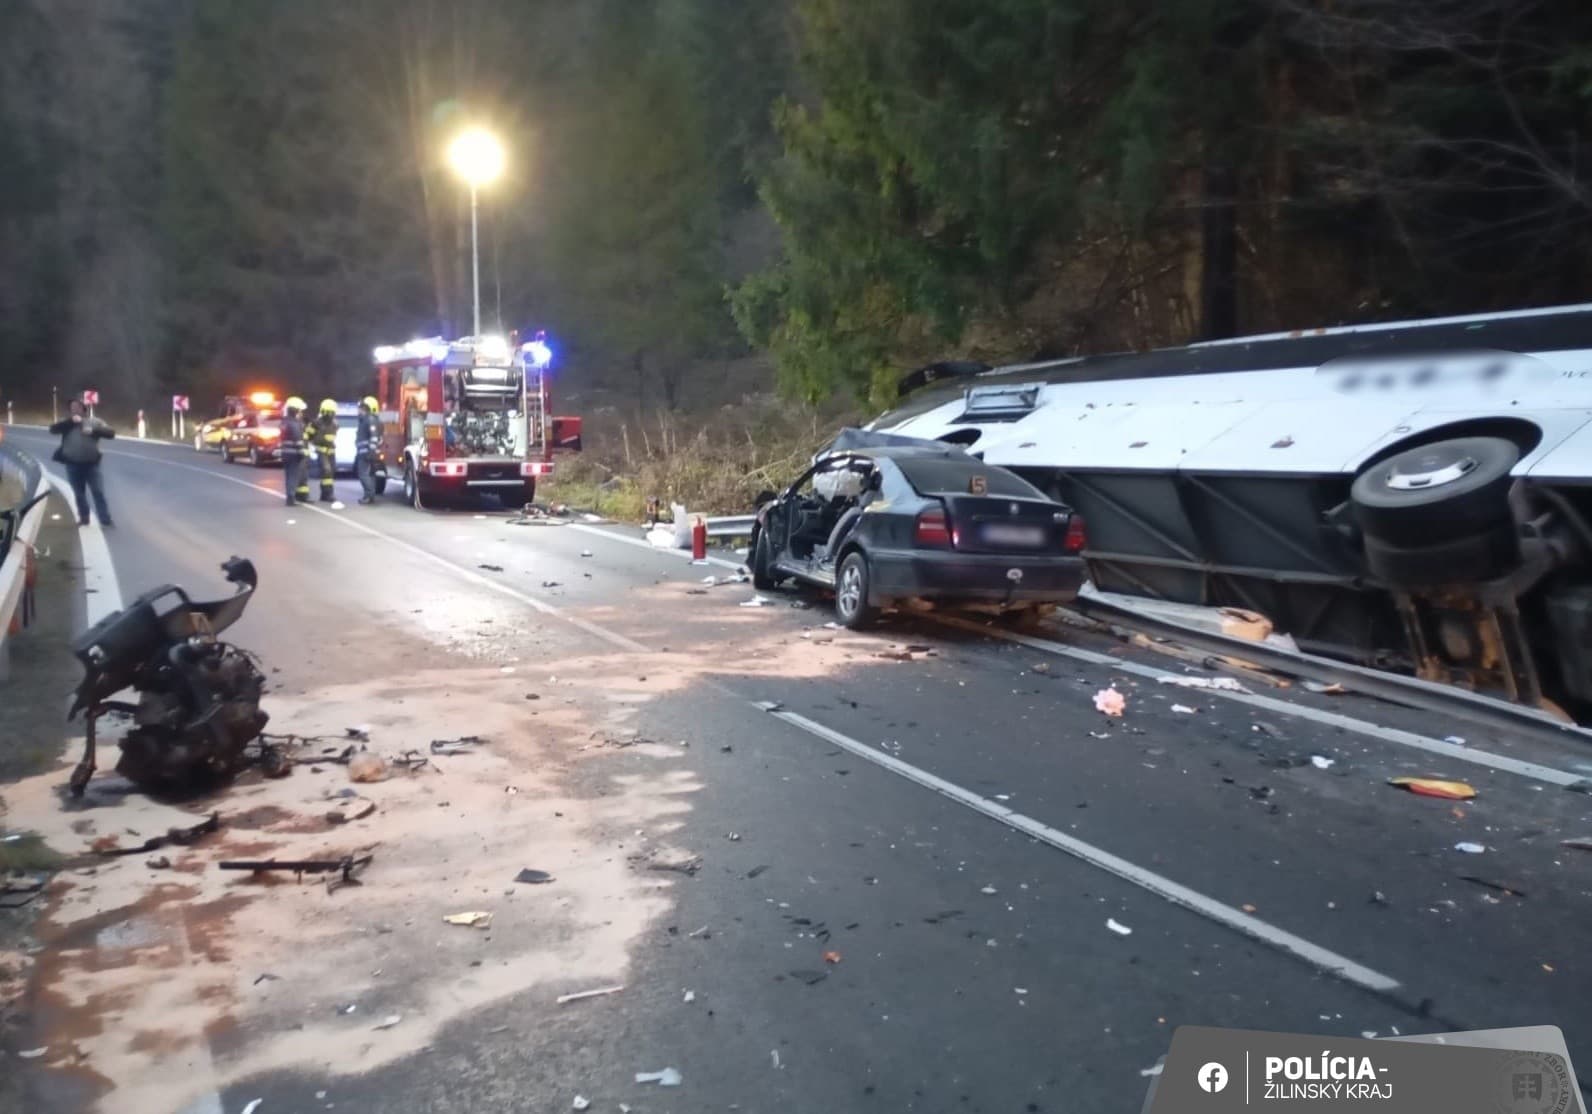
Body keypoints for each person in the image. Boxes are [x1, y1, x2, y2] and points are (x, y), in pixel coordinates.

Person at [49, 400, 115, 527]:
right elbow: (53, 429)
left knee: (98, 491)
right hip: (72, 464)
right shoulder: (67, 423)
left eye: (77, 407)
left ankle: (105, 518)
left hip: (92, 464)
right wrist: (71, 422)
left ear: (84, 409)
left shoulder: (95, 421)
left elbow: (111, 433)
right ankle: (84, 518)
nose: (74, 409)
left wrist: (93, 431)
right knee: (79, 493)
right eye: (72, 407)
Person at [280, 397, 310, 506]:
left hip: (285, 452)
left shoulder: (284, 422)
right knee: (293, 475)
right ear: (295, 410)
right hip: (294, 453)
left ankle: (289, 495)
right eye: (299, 410)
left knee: (288, 475)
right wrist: (302, 452)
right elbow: (298, 439)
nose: (300, 412)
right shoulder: (295, 423)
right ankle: (291, 498)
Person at [310, 398, 339, 503]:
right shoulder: (316, 423)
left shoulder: (335, 424)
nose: (331, 414)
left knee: (331, 472)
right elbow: (309, 435)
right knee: (326, 471)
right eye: (329, 412)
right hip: (321, 451)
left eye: (333, 412)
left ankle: (324, 494)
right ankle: (329, 494)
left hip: (331, 451)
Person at [355, 396, 383, 504]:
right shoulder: (367, 420)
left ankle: (369, 496)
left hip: (366, 452)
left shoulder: (370, 420)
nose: (359, 410)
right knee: (369, 474)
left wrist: (371, 452)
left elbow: (374, 437)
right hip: (365, 452)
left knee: (363, 474)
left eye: (362, 408)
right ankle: (369, 495)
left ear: (367, 408)